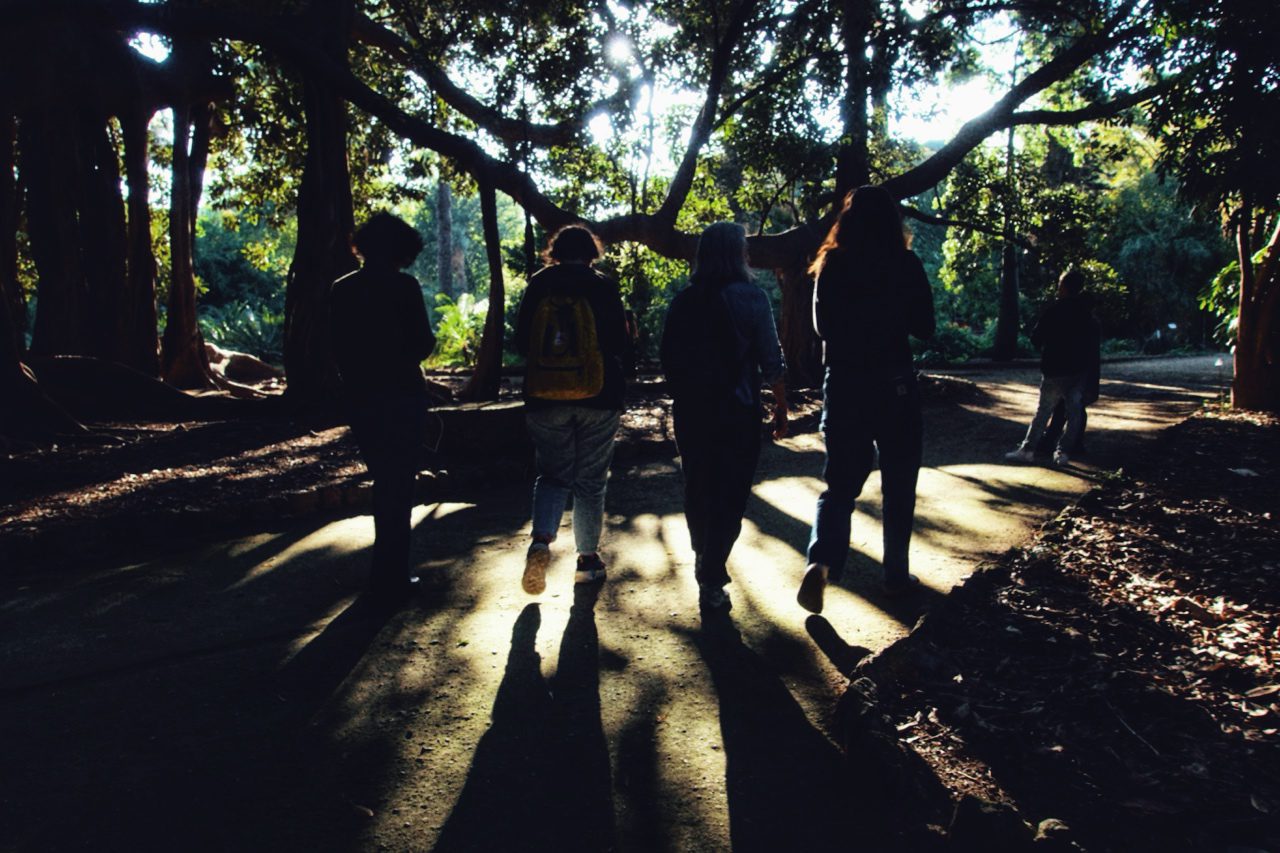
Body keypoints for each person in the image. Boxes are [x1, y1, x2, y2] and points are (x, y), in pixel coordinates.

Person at [797, 185, 935, 613]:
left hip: (845, 384)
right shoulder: (904, 262)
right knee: (898, 481)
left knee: (839, 484)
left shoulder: (832, 264)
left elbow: (822, 328)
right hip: (893, 381)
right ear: (893, 222)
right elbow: (925, 326)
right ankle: (895, 575)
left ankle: (820, 562)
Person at [660, 222, 788, 611]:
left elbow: (668, 360)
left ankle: (704, 556)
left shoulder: (683, 300)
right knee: (731, 494)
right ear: (739, 254)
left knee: (698, 487)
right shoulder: (752, 298)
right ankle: (712, 571)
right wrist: (781, 409)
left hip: (692, 412)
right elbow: (772, 361)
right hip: (738, 410)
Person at [514, 224, 631, 595]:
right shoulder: (603, 285)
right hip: (599, 396)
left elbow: (519, 340)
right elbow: (618, 342)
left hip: (545, 397)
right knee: (590, 481)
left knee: (552, 475)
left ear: (556, 250)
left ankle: (540, 543)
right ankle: (587, 561)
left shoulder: (539, 284)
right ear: (591, 251)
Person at [330, 212, 436, 603]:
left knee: (383, 481)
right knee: (399, 485)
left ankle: (383, 576)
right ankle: (392, 576)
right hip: (403, 394)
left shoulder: (341, 289)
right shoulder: (405, 287)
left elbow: (336, 346)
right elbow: (423, 343)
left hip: (361, 396)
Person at [1005, 268, 1100, 467]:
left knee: (1043, 411)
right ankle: (1063, 452)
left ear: (1063, 287)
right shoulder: (1087, 314)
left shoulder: (1054, 310)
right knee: (1074, 412)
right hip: (1078, 371)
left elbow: (1036, 338)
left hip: (1055, 369)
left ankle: (1028, 449)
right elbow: (1093, 347)